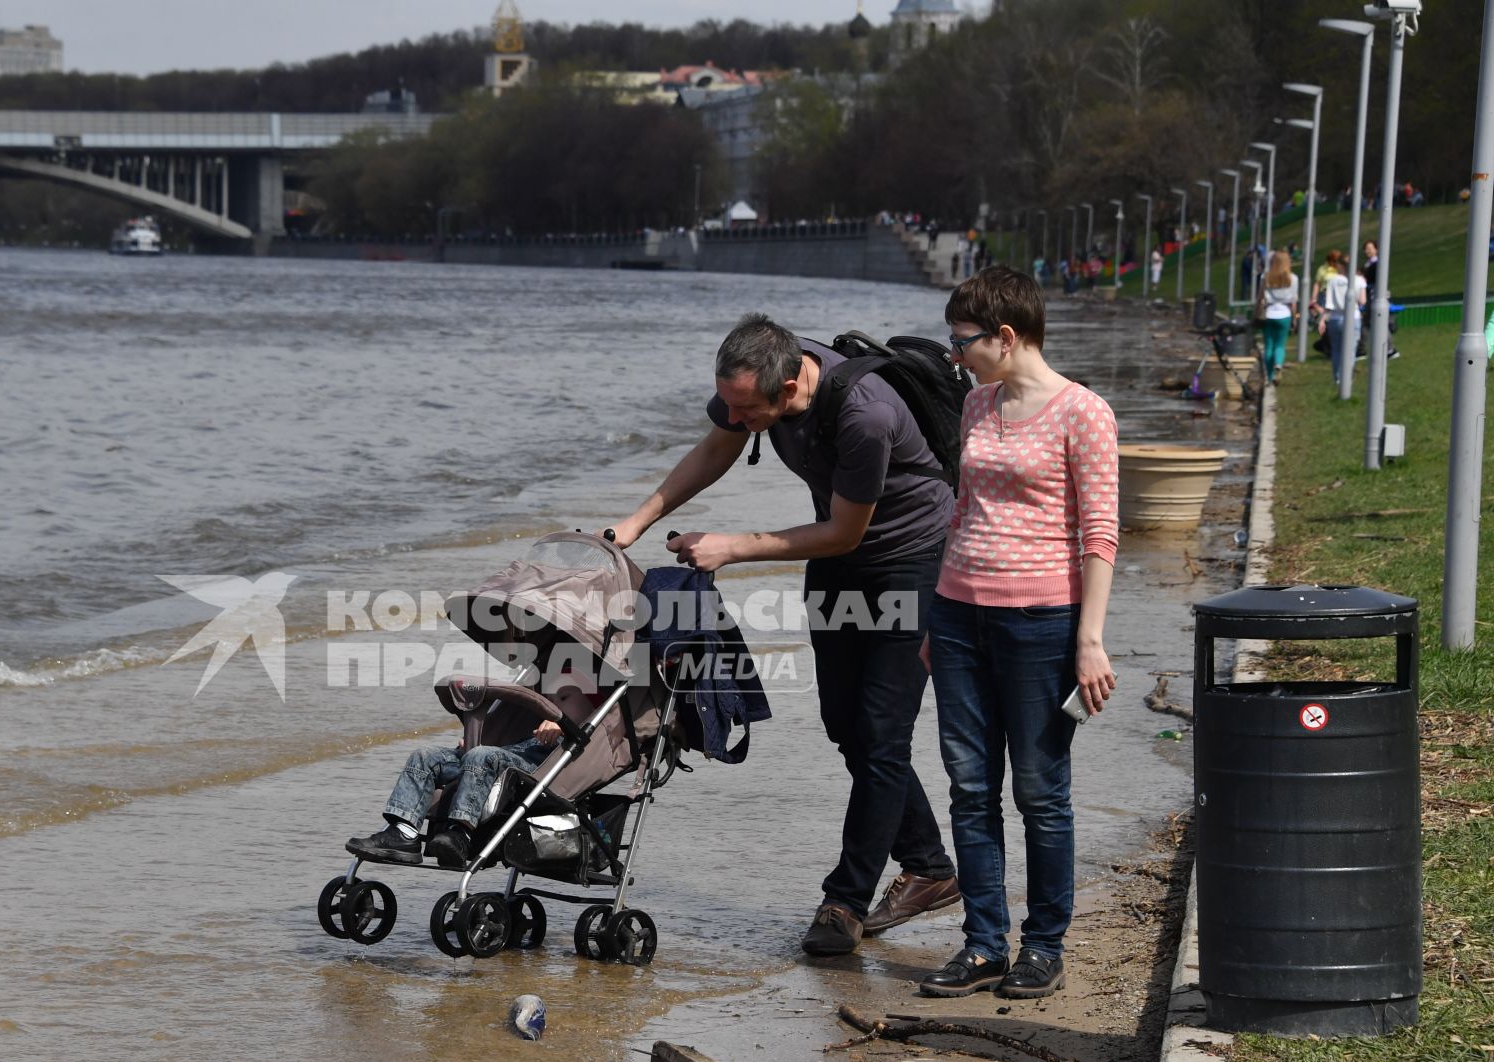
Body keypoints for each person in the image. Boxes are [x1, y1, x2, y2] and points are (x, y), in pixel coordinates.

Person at [608, 313, 959, 956]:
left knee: (881, 735)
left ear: (793, 379)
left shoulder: (865, 414)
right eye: (731, 404)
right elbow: (716, 448)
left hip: (910, 563)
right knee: (845, 727)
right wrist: (633, 524)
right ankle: (931, 869)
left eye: (748, 410)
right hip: (840, 563)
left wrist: (731, 548)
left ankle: (845, 902)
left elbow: (847, 532)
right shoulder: (752, 384)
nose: (738, 420)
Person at [917, 266, 1119, 1000]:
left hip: (1042, 625)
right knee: (970, 788)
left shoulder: (1085, 413)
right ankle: (981, 945)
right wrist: (938, 613)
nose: (955, 355)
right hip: (959, 617)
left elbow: (1100, 534)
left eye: (962, 342)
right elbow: (961, 512)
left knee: (1040, 791)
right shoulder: (975, 405)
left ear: (1006, 337)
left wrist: (1089, 640)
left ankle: (1043, 945)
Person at [347, 717, 562, 866]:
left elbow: (591, 728)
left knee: (480, 755)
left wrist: (561, 726)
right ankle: (404, 833)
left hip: (539, 761)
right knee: (424, 755)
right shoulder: (540, 681)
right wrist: (479, 735)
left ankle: (460, 835)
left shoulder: (591, 687)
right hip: (502, 749)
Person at [1318, 254, 1365, 388]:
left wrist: (1322, 320)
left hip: (1335, 318)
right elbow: (1362, 301)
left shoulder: (1332, 280)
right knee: (1350, 351)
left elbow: (1328, 304)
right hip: (1353, 317)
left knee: (1337, 350)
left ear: (1339, 265)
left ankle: (1337, 378)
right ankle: (1346, 378)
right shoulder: (1359, 280)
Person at [1259, 250, 1299, 382]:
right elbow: (1293, 302)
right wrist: (1294, 318)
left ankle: (1269, 377)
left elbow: (1260, 298)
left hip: (1269, 314)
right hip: (1284, 314)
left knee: (1269, 345)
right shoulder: (1293, 279)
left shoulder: (1265, 277)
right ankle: (1278, 364)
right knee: (1280, 345)